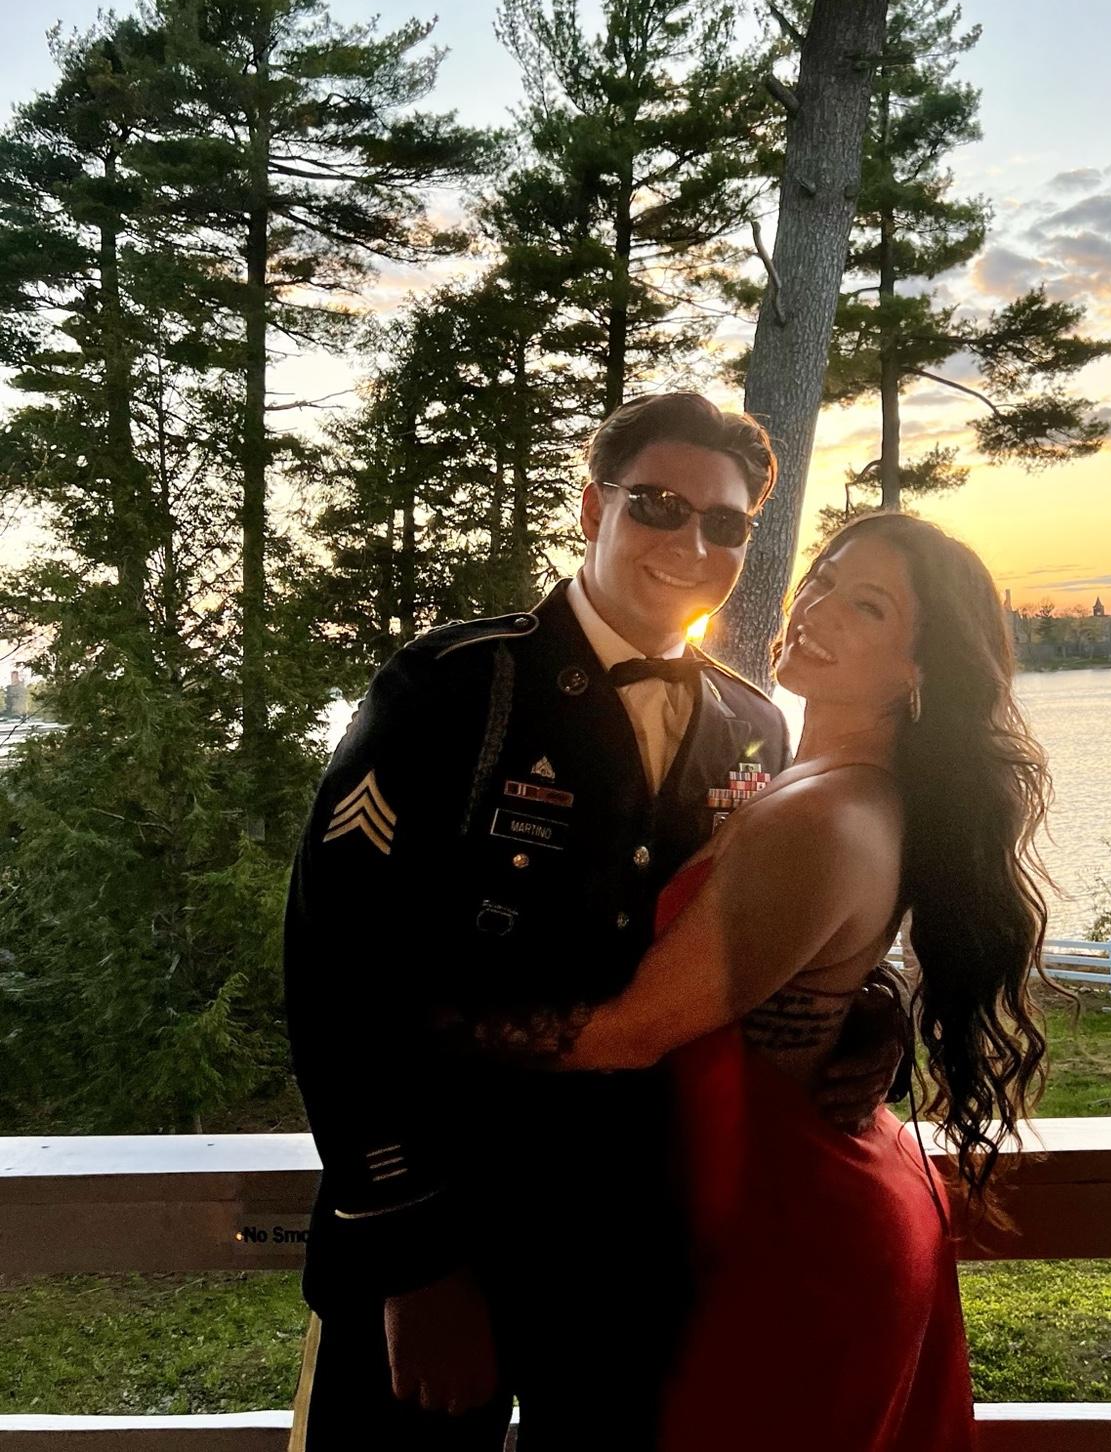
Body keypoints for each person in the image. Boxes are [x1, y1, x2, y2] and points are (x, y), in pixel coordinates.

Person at [283, 394, 908, 1450]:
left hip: (635, 1258)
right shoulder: (457, 689)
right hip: (444, 1231)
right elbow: (335, 970)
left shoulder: (754, 727)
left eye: (725, 523)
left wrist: (872, 1007)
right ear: (591, 509)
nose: (691, 542)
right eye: (658, 505)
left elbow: (775, 920)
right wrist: (416, 1261)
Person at [458, 510, 1058, 1451]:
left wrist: (419, 1022)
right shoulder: (804, 773)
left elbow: (630, 1033)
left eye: (868, 607)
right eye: (824, 577)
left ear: (917, 672)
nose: (817, 607)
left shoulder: (821, 814)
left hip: (791, 1227)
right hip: (795, 1193)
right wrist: (865, 1000)